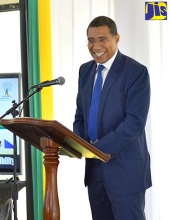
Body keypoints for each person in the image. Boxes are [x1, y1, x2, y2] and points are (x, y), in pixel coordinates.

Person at [73, 16, 152, 220]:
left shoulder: (136, 72)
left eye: (102, 39)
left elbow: (134, 123)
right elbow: (80, 115)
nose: (96, 46)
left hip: (125, 171)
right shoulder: (85, 71)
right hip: (94, 170)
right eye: (91, 40)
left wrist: (95, 150)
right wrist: (76, 142)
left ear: (117, 39)